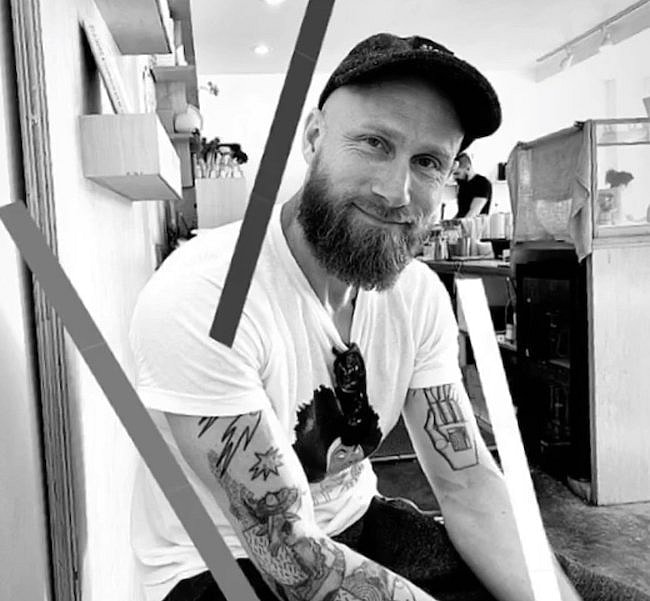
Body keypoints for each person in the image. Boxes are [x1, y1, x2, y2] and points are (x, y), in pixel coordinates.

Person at [129, 33, 581, 601]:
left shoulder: (416, 295)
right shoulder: (205, 294)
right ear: (313, 138)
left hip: (359, 524)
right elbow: (289, 551)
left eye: (427, 162)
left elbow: (467, 482)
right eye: (373, 143)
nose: (396, 191)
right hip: (220, 564)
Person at [452, 152, 492, 218]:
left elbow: (473, 213)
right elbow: (461, 212)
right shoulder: (463, 185)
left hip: (475, 224)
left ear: (468, 168)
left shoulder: (482, 183)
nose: (454, 177)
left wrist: (456, 223)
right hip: (464, 223)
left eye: (457, 173)